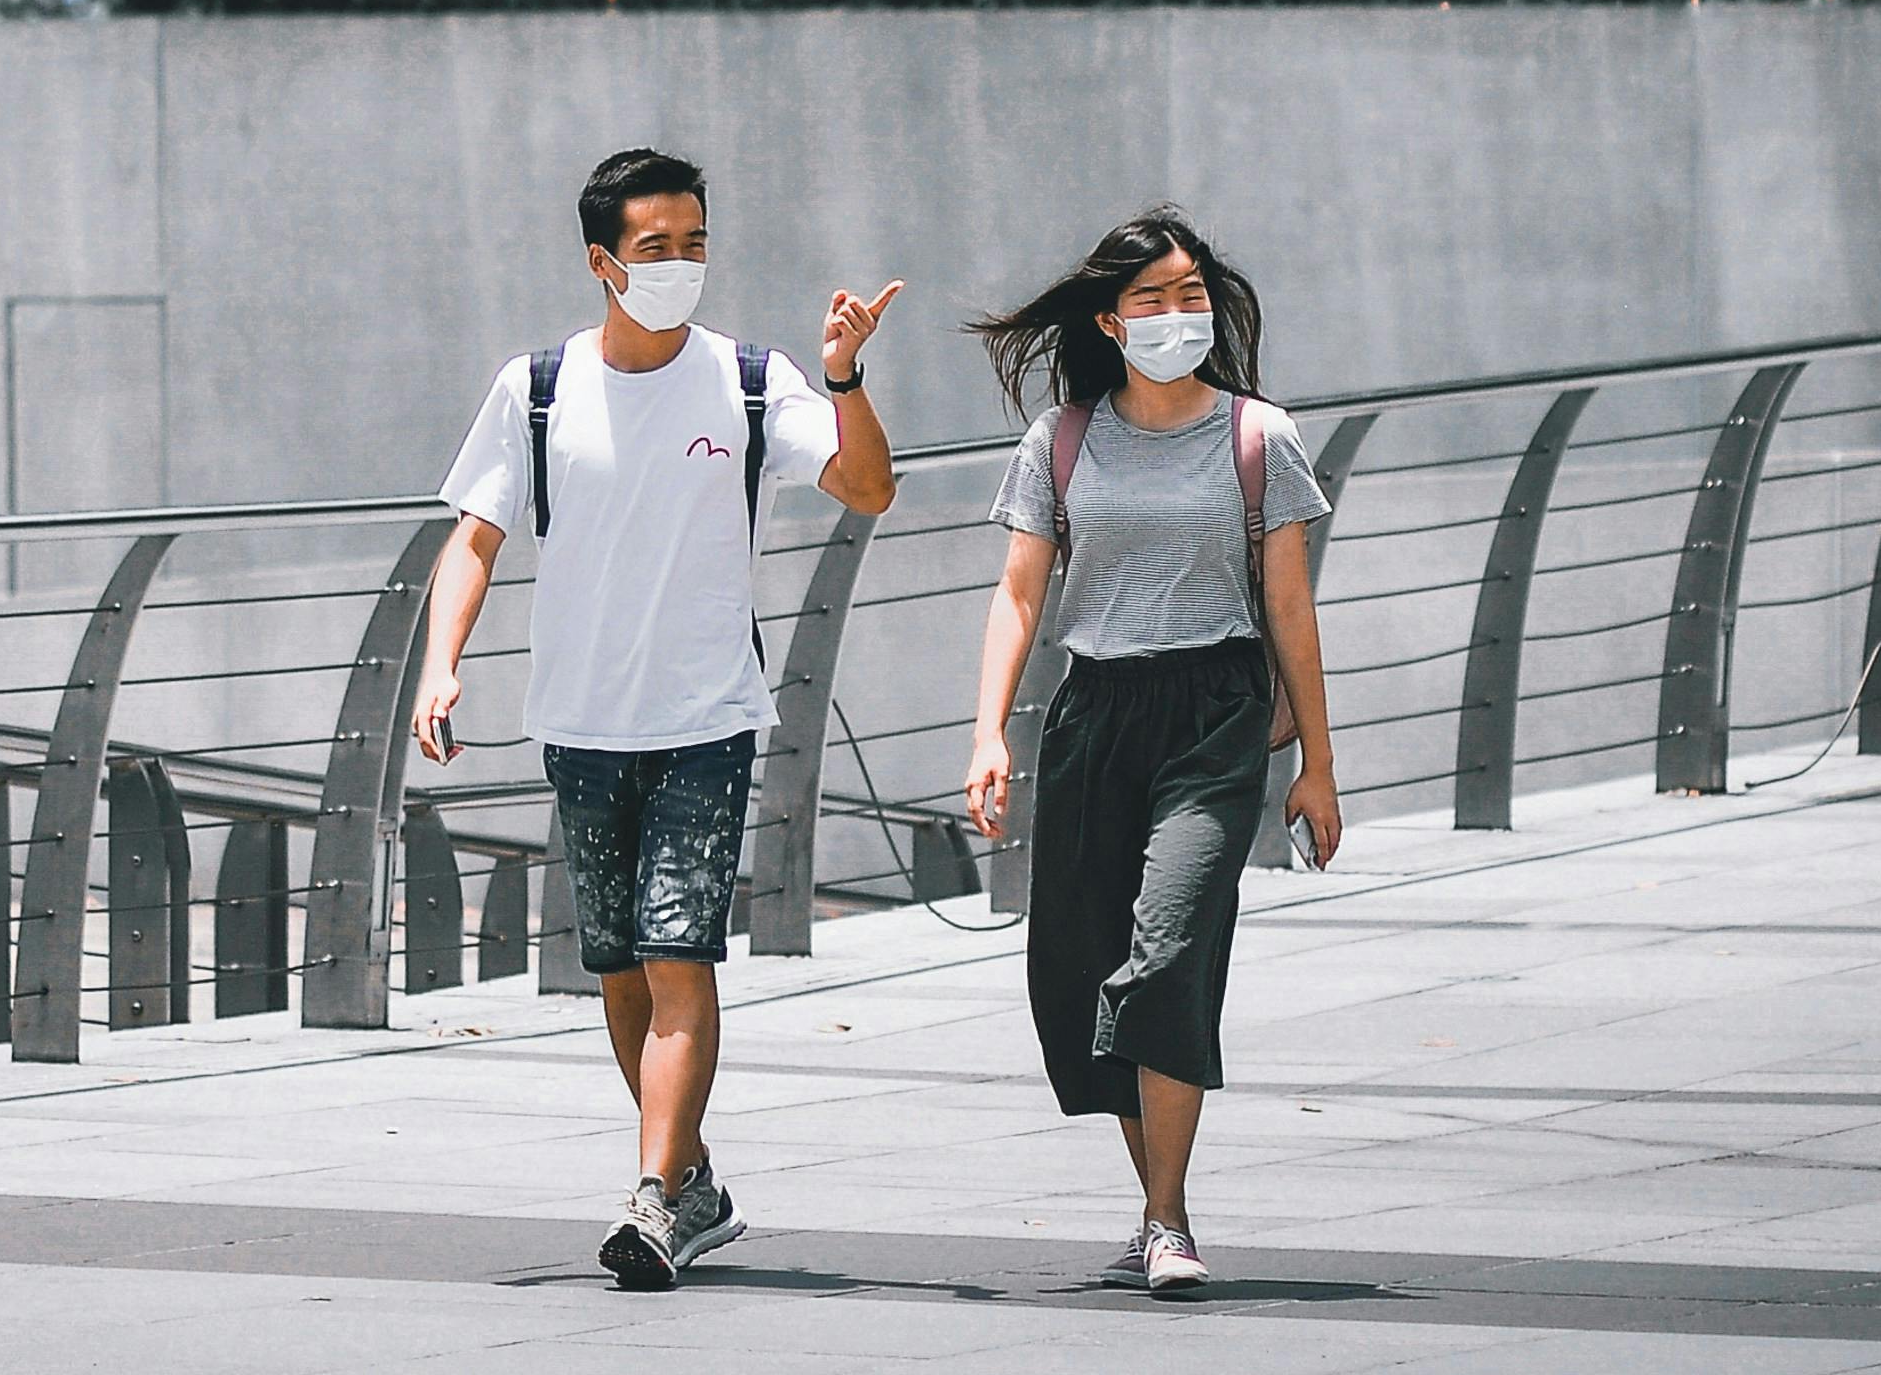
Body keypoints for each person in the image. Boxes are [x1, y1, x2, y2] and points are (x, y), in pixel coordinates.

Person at [413, 147, 899, 1290]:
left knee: (679, 954)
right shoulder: (537, 388)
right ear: (603, 261)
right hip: (581, 723)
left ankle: (649, 1201)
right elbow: (474, 536)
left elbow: (869, 488)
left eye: (695, 242)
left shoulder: (748, 379)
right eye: (655, 246)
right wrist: (440, 665)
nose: (681, 262)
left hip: (706, 719)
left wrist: (844, 378)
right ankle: (694, 1181)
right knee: (621, 970)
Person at [963, 206, 1342, 1300]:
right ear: (1109, 319)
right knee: (1086, 970)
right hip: (1095, 713)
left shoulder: (1259, 436)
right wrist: (988, 731)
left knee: (1168, 952)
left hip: (1216, 711)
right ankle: (1153, 1207)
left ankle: (1167, 1218)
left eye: (1192, 295)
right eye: (1153, 298)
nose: (1178, 315)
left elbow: (1290, 604)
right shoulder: (1062, 440)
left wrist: (1318, 764)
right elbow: (1020, 592)